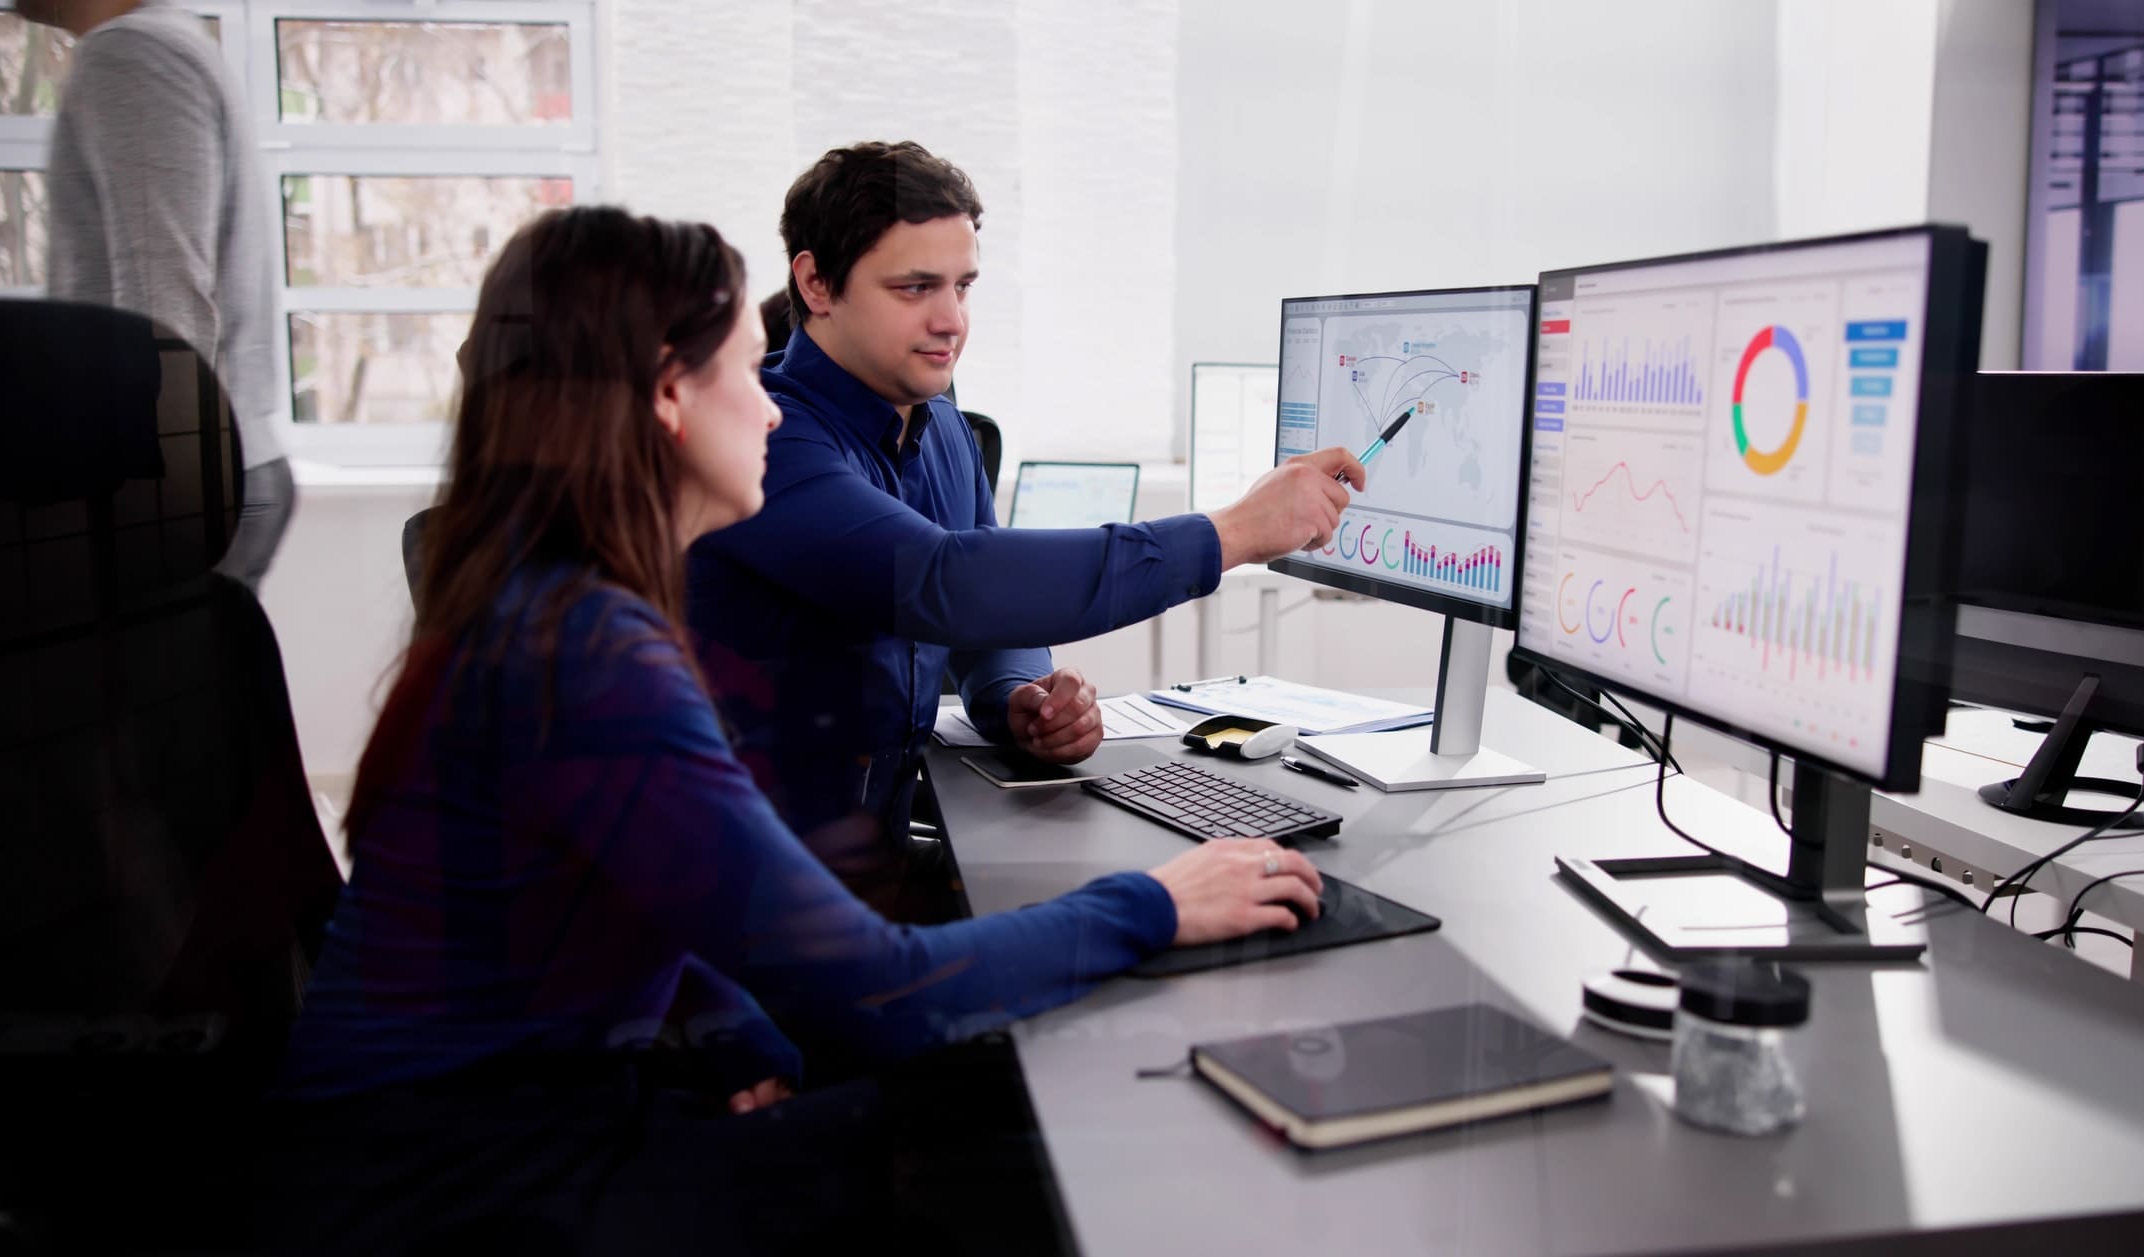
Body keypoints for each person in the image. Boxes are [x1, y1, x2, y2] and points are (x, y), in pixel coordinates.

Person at [262, 205, 1323, 1254]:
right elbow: (881, 992)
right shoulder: (586, 654)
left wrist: (735, 1034)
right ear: (669, 397)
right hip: (466, 1196)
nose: (770, 411)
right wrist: (1154, 901)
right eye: (744, 372)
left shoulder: (557, 606)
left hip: (507, 1131)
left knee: (1012, 1087)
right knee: (1066, 1120)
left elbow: (641, 890)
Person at [688, 140, 1365, 844]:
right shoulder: (762, 437)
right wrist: (1233, 532)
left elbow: (985, 627)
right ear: (817, 284)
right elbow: (946, 582)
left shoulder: (943, 426)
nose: (952, 319)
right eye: (915, 287)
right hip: (750, 884)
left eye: (963, 285)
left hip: (868, 862)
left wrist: (1015, 698)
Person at [18, 0, 294, 589]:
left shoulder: (134, 53)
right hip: (199, 471)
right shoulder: (164, 43)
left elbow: (165, 297)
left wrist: (149, 507)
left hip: (172, 484)